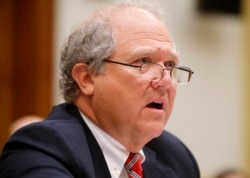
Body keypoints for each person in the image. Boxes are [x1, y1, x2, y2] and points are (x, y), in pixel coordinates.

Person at [0, 1, 199, 177]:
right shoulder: (40, 149)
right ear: (86, 78)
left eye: (171, 65)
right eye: (143, 62)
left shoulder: (175, 157)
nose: (165, 81)